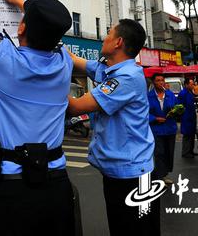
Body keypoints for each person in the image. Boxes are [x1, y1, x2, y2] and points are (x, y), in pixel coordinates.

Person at [0, 0, 75, 236]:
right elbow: (51, 35)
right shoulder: (63, 63)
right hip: (57, 185)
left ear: (21, 26)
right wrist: (19, 0)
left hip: (12, 187)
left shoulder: (5, 61)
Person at [67, 19, 158, 236]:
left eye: (108, 33)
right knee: (121, 228)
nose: (103, 38)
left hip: (135, 174)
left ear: (118, 42)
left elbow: (76, 107)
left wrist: (42, 77)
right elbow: (75, 60)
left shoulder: (126, 78)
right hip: (119, 173)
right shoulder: (111, 71)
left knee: (139, 231)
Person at [148, 73, 178, 185]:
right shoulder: (148, 96)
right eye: (158, 80)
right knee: (159, 153)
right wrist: (154, 118)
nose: (160, 82)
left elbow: (177, 108)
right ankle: (159, 177)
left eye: (162, 80)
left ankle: (164, 174)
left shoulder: (170, 95)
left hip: (170, 128)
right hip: (156, 129)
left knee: (168, 153)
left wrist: (175, 111)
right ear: (153, 82)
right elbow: (144, 113)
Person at [178, 78, 197, 158]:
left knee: (192, 134)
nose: (193, 85)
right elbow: (180, 106)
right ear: (186, 84)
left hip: (192, 116)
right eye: (191, 84)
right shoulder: (183, 93)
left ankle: (191, 151)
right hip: (186, 116)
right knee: (187, 135)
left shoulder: (190, 92)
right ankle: (185, 152)